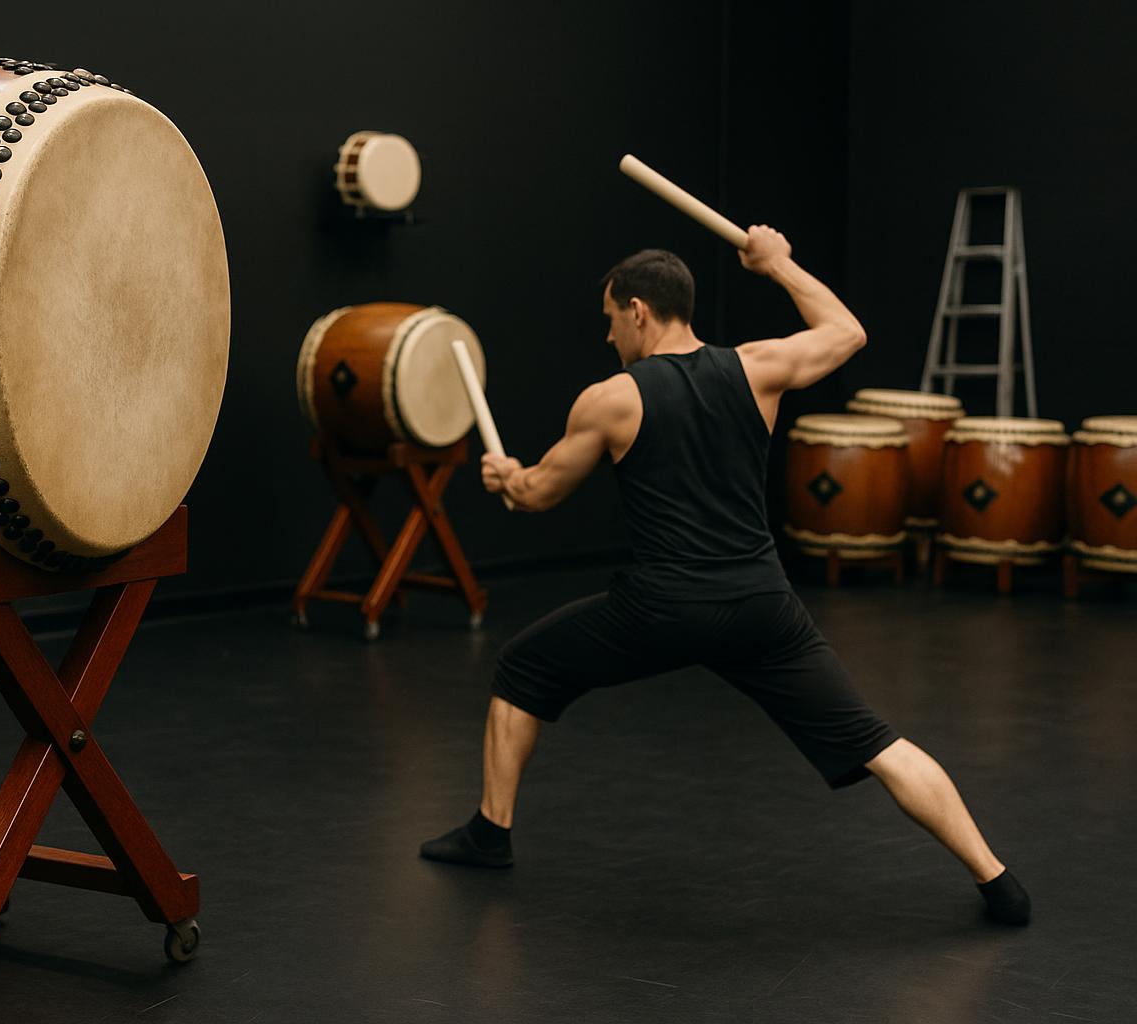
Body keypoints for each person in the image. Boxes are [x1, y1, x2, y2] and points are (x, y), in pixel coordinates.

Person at [418, 227, 1030, 926]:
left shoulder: (610, 399)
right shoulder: (758, 368)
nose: (610, 335)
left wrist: (506, 476)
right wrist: (780, 265)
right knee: (880, 744)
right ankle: (999, 881)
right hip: (760, 606)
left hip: (660, 610)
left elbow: (537, 496)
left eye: (612, 319)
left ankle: (491, 834)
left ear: (639, 311)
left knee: (521, 671)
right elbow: (847, 331)